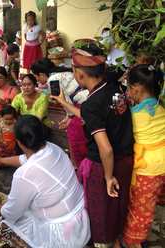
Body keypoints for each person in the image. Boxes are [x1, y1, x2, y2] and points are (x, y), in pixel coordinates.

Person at [52, 41, 134, 248]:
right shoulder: (115, 90)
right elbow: (93, 117)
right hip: (125, 160)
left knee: (101, 210)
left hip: (104, 165)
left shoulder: (92, 102)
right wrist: (64, 102)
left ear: (79, 73)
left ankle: (103, 243)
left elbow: (105, 148)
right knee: (118, 204)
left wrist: (107, 177)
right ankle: (117, 238)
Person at [0, 115, 91, 248]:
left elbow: (12, 213)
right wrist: (0, 160)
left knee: (2, 225)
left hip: (62, 234)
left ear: (18, 142)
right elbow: (25, 159)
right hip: (81, 220)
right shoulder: (54, 148)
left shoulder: (23, 175)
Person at [121, 64, 165, 248]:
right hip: (161, 162)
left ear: (135, 89)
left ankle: (134, 242)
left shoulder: (133, 115)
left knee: (139, 210)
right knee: (150, 204)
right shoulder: (161, 108)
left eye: (128, 87)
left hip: (146, 168)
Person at [31, 57, 89, 168]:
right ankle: (74, 163)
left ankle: (76, 164)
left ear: (42, 74)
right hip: (83, 102)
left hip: (83, 104)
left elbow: (64, 101)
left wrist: (70, 117)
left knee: (73, 129)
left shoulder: (52, 80)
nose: (37, 80)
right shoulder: (61, 72)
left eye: (36, 76)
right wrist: (68, 117)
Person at [0, 105, 17, 171]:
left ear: (14, 117)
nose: (8, 121)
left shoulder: (15, 123)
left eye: (11, 119)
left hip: (12, 142)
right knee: (0, 154)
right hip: (3, 143)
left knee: (11, 154)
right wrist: (2, 142)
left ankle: (10, 163)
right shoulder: (1, 125)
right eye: (6, 119)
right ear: (2, 117)